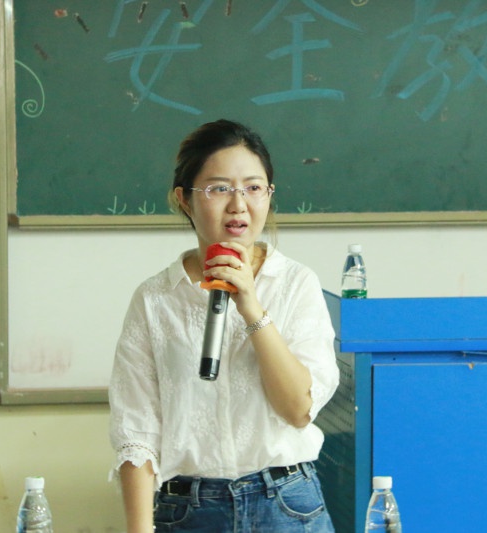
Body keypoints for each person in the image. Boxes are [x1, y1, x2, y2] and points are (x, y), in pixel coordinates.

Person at [109, 119, 340, 532]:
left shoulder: (295, 283)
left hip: (286, 505)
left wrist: (251, 307)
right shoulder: (155, 299)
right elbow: (136, 434)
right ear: (184, 199)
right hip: (188, 511)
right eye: (219, 189)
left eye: (253, 188)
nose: (238, 205)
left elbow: (298, 409)